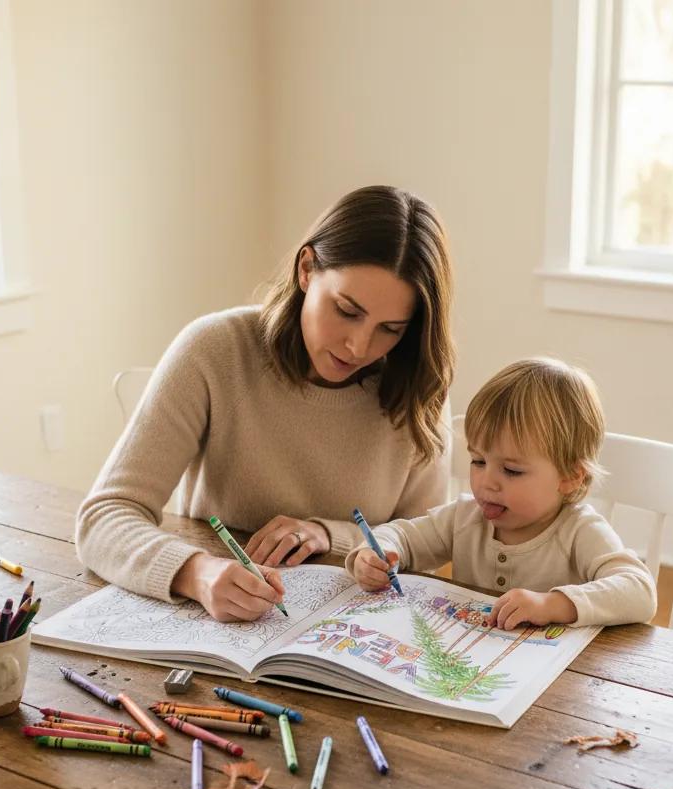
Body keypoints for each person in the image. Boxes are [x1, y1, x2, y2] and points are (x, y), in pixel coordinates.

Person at [76, 185, 455, 622]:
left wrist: (327, 535)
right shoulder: (213, 351)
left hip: (347, 635)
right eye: (347, 311)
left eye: (390, 329)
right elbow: (103, 518)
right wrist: (195, 573)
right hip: (217, 628)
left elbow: (423, 548)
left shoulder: (417, 387)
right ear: (307, 269)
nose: (358, 346)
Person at [348, 357, 657, 631]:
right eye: (478, 461)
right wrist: (374, 555)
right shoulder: (464, 518)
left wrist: (551, 604)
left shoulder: (578, 530)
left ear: (569, 477)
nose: (487, 483)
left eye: (511, 470)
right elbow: (401, 536)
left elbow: (639, 590)